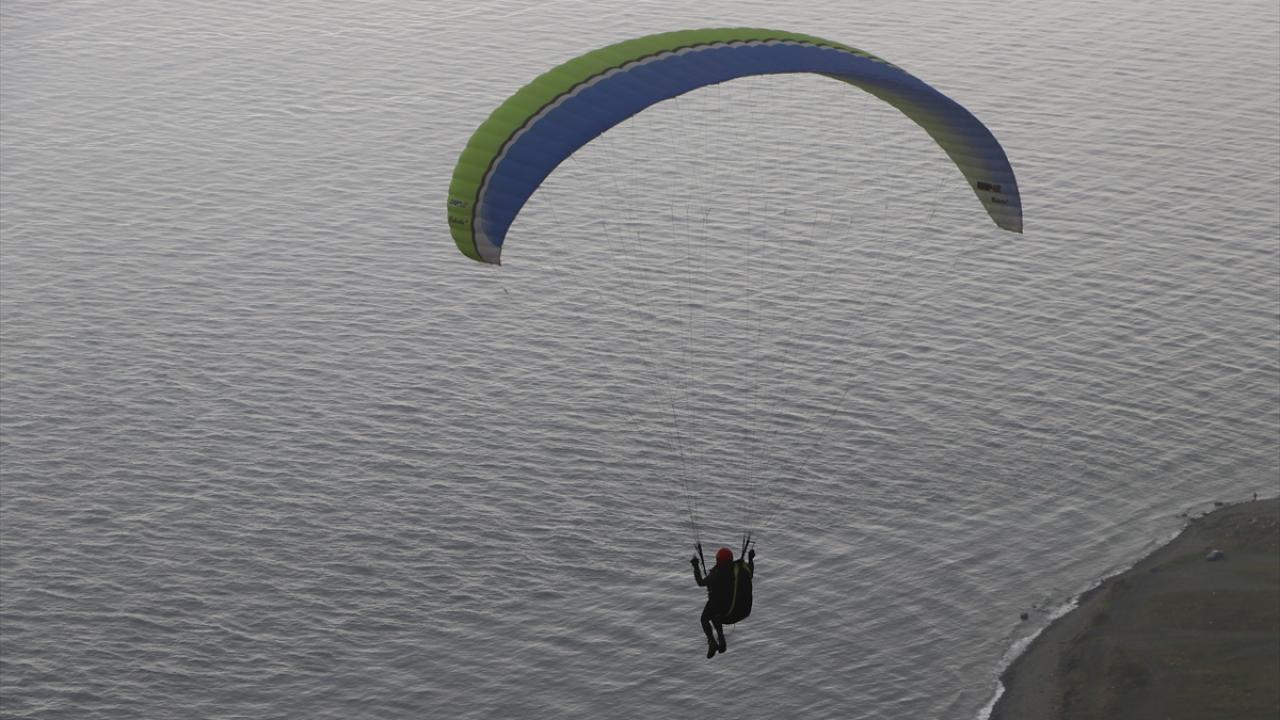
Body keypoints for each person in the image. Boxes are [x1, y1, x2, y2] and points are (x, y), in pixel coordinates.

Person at [690, 545, 755, 658]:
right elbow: (750, 572)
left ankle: (712, 642)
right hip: (730, 610)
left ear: (718, 560)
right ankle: (721, 639)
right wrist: (750, 559)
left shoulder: (717, 573)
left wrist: (696, 566)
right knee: (715, 614)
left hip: (722, 610)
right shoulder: (737, 570)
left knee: (705, 618)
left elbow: (700, 582)